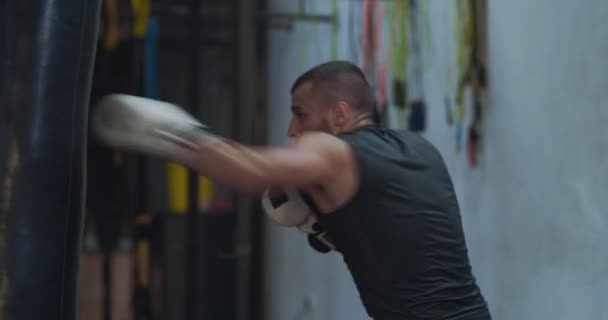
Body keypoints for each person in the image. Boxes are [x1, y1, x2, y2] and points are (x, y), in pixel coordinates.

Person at [92, 60, 492, 319]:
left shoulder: (332, 152)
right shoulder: (420, 149)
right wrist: (333, 229)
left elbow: (253, 171)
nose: (292, 130)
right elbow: (402, 235)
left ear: (339, 114)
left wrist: (170, 134)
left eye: (300, 114)